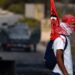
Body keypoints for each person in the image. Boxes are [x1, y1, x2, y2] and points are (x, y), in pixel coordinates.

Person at [50, 0, 75, 75]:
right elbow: (58, 57)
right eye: (73, 24)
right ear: (66, 25)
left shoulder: (65, 37)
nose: (74, 26)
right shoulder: (61, 38)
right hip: (60, 73)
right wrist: (65, 73)